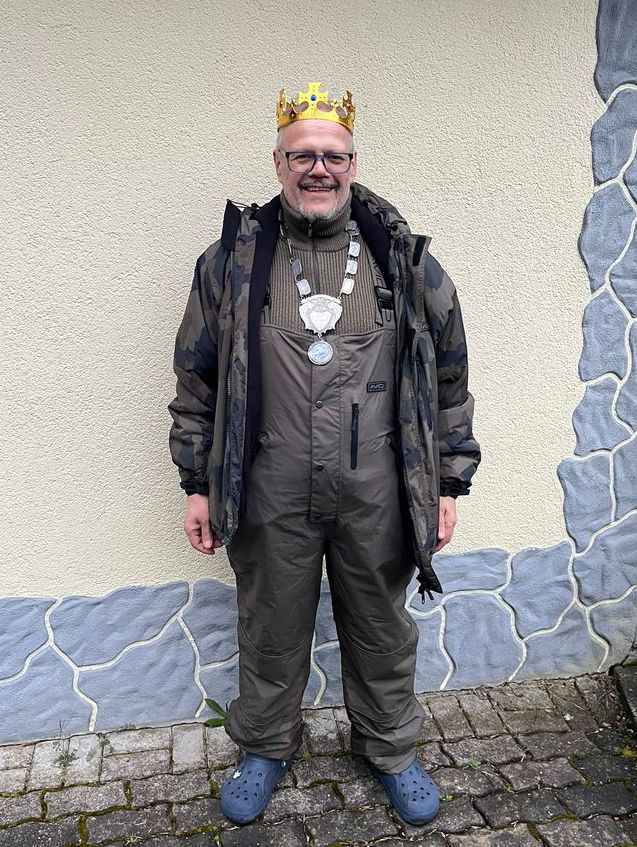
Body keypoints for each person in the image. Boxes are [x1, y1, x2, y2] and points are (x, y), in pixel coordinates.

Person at [168, 81, 481, 828]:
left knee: (381, 627)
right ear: (278, 163)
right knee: (270, 625)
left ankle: (390, 748)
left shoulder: (402, 259)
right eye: (302, 155)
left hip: (377, 486)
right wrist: (196, 482)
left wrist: (446, 483)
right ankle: (265, 746)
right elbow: (196, 377)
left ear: (352, 163)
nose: (318, 169)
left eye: (332, 156)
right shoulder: (232, 261)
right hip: (268, 483)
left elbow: (448, 375)